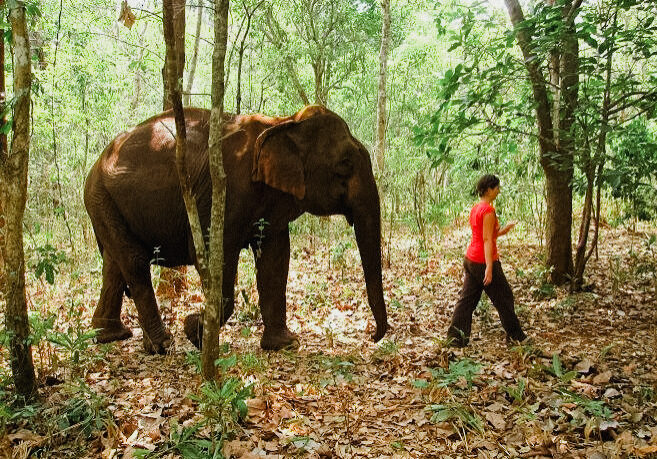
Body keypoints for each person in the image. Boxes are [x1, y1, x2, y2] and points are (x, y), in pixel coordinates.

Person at [447, 174, 527, 347]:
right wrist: (489, 268)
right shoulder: (488, 211)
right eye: (496, 188)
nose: (498, 191)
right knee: (504, 297)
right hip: (483, 261)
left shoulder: (477, 208)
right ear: (489, 189)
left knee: (466, 301)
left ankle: (455, 340)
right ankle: (516, 337)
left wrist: (504, 230)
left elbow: (486, 234)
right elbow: (486, 240)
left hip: (470, 259)